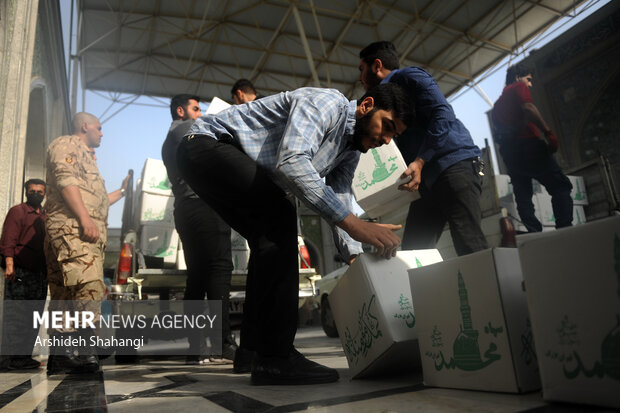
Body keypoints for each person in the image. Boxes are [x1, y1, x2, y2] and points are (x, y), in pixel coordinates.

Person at [177, 84, 413, 385]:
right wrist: (355, 224)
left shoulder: (352, 149)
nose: (386, 140)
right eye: (387, 126)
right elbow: (292, 162)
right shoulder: (327, 103)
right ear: (366, 105)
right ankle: (275, 358)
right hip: (206, 144)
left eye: (395, 135)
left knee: (268, 240)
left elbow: (339, 195)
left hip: (208, 156)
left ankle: (251, 351)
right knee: (281, 216)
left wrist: (354, 254)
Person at [358, 41, 488, 256]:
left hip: (454, 166)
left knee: (470, 246)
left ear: (377, 66)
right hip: (426, 181)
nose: (360, 77)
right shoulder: (382, 102)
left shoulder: (410, 77)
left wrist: (420, 160)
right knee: (414, 254)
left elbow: (443, 114)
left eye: (361, 69)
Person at [44, 112, 128, 375]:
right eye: (99, 128)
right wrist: (84, 219)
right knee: (90, 286)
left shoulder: (88, 158)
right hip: (73, 229)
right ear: (84, 126)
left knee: (64, 294)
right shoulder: (67, 145)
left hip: (77, 229)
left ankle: (60, 357)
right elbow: (64, 180)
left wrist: (123, 191)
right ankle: (86, 350)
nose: (102, 133)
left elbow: (97, 199)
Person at [161, 94, 237, 365]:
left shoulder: (168, 139)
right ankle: (222, 344)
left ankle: (195, 348)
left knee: (197, 275)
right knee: (219, 268)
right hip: (204, 205)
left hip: (184, 208)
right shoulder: (184, 128)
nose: (200, 113)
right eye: (196, 109)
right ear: (181, 111)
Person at [492, 63, 573, 232]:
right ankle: (565, 229)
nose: (530, 84)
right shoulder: (518, 87)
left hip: (510, 154)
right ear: (517, 77)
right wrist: (548, 132)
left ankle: (534, 232)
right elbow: (528, 107)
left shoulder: (497, 105)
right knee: (560, 187)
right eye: (528, 79)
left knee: (523, 197)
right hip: (529, 146)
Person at [0, 179, 48, 370]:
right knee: (16, 316)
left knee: (33, 315)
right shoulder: (18, 211)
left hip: (39, 274)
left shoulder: (44, 216)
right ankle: (10, 359)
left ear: (45, 194)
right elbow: (8, 239)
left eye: (40, 191)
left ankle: (24, 357)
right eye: (32, 191)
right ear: (26, 192)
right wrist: (9, 264)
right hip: (20, 271)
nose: (36, 194)